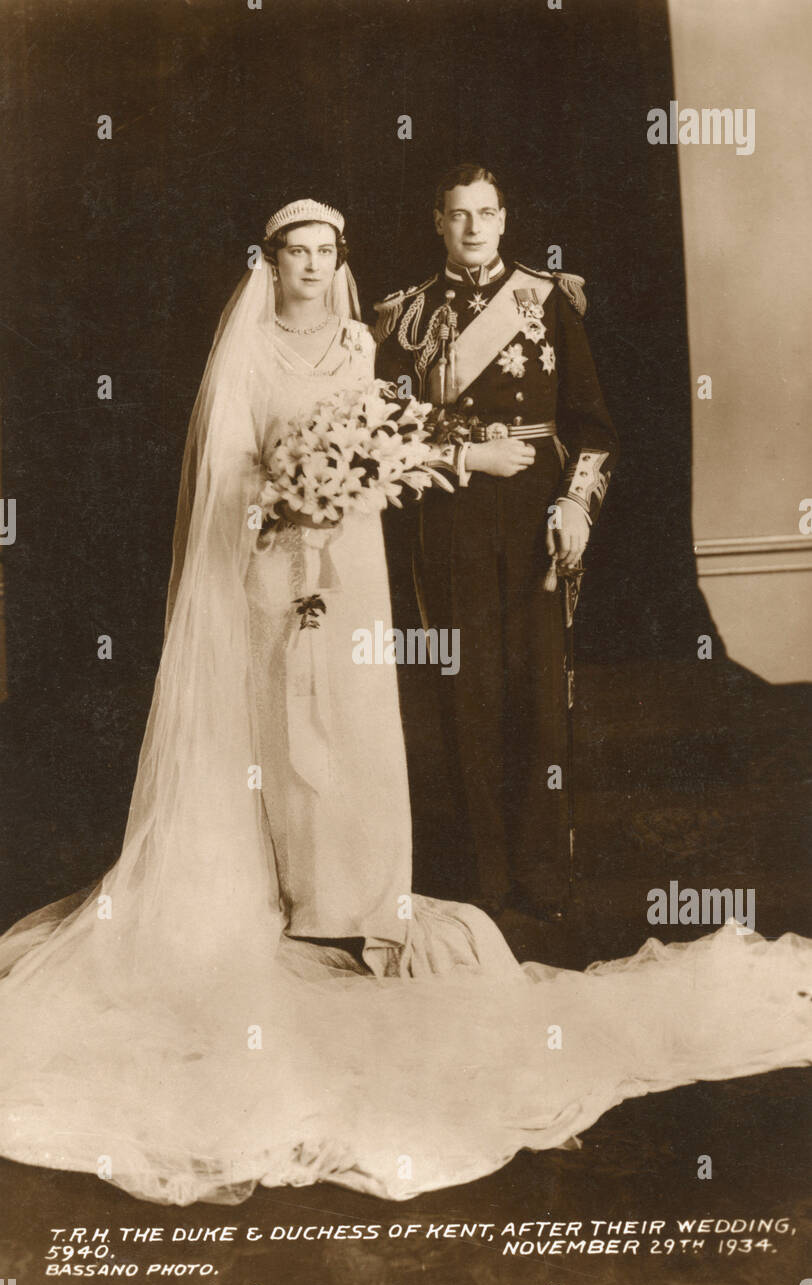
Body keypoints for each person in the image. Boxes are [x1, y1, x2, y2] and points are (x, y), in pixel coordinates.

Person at [0, 199, 808, 1209]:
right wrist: (288, 503)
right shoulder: (273, 341)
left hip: (350, 567)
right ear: (273, 260)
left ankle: (352, 897)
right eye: (291, 251)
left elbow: (397, 443)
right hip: (264, 563)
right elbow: (231, 471)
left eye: (321, 250)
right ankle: (273, 893)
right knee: (267, 732)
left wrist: (440, 473)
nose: (306, 266)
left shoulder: (360, 340)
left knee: (351, 730)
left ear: (340, 257)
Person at [375, 163, 618, 923]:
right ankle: (485, 880)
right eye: (459, 215)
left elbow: (594, 426)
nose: (474, 228)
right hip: (448, 521)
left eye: (486, 213)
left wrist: (577, 503)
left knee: (538, 697)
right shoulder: (405, 317)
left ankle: (544, 875)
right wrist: (460, 456)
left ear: (506, 219)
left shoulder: (549, 300)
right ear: (437, 223)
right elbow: (383, 435)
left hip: (534, 516)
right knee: (464, 698)